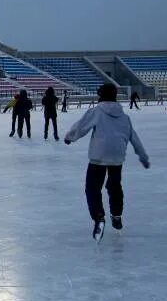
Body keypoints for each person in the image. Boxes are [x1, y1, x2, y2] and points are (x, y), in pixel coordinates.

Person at [64, 83, 150, 241]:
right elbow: (134, 138)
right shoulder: (124, 117)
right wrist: (143, 157)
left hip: (99, 156)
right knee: (114, 186)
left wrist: (69, 137)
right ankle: (116, 215)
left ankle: (99, 217)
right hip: (117, 156)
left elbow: (81, 126)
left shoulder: (97, 111)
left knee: (92, 188)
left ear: (101, 95)